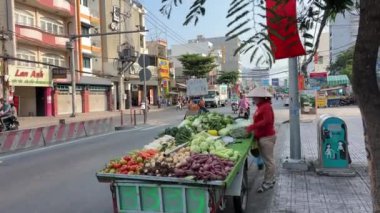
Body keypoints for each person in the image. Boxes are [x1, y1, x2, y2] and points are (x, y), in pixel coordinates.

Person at [246, 87, 276, 193]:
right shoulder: (261, 107)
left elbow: (267, 121)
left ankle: (268, 182)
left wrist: (252, 127)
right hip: (262, 136)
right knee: (267, 160)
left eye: (255, 97)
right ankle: (270, 179)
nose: (253, 99)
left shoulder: (266, 107)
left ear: (261, 97)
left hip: (267, 137)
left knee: (269, 161)